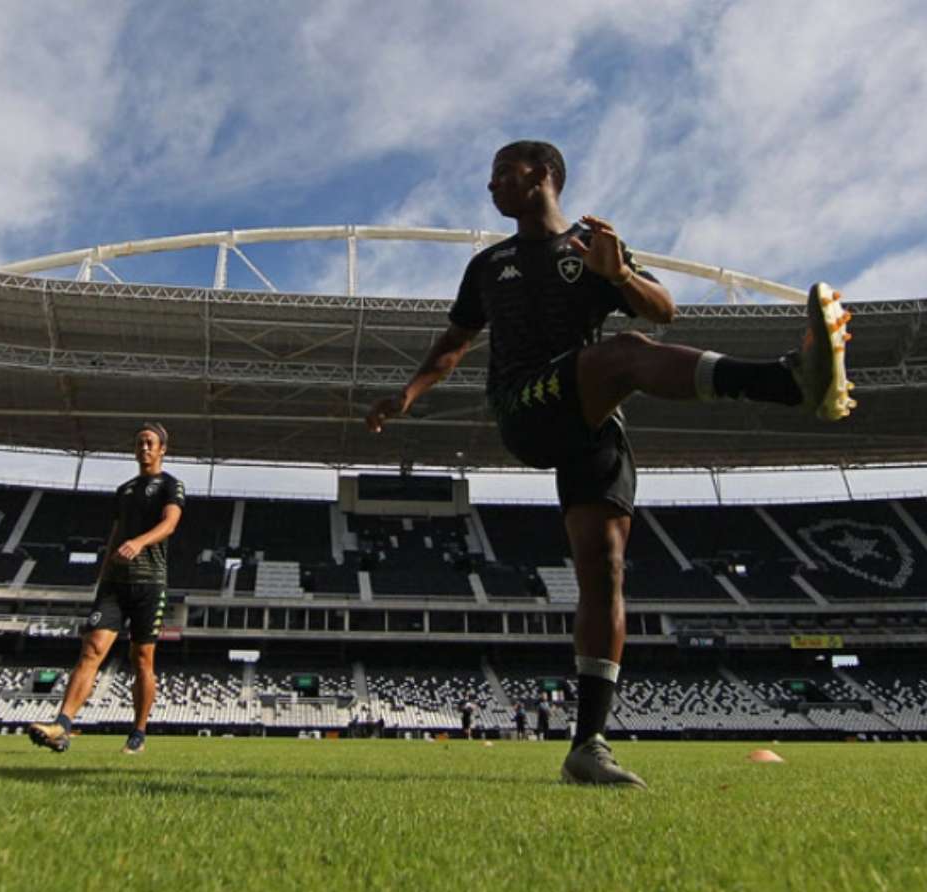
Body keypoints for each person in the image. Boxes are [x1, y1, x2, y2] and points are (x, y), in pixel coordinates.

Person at [366, 140, 854, 788]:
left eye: (500, 174)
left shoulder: (594, 249)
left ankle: (586, 745)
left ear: (540, 174)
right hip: (525, 405)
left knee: (605, 570)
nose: (490, 187)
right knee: (624, 354)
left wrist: (618, 273)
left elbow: (665, 308)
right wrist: (408, 393)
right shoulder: (489, 266)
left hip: (593, 426)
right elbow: (455, 343)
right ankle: (786, 383)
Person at [29, 423, 185, 754]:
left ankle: (139, 733)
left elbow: (170, 524)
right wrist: (102, 578)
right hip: (114, 584)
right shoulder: (124, 490)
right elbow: (114, 536)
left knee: (142, 658)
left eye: (150, 443)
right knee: (92, 649)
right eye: (139, 443)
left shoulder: (171, 486)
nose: (143, 448)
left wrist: (139, 543)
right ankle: (63, 725)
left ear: (162, 450)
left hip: (149, 583)